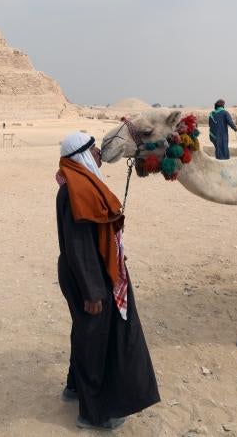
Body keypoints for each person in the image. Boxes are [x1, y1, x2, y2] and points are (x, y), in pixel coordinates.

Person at [55, 132, 160, 431]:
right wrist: (93, 291)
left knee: (87, 334)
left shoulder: (83, 185)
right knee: (95, 339)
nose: (100, 152)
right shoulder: (76, 192)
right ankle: (94, 413)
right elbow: (78, 246)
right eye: (94, 149)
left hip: (92, 272)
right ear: (83, 155)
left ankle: (74, 387)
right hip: (89, 277)